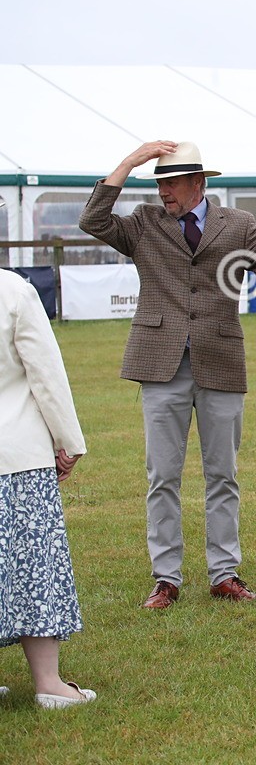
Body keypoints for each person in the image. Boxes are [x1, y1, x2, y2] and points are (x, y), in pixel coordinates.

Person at [78, 142, 256, 609]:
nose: (164, 191)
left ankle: (224, 575)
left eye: (171, 182)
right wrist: (131, 162)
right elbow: (92, 220)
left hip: (221, 362)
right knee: (162, 477)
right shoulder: (144, 224)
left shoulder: (240, 225)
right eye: (159, 183)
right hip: (159, 363)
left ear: (199, 183)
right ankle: (165, 579)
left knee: (222, 476)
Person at [0, 268, 95, 708]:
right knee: (33, 568)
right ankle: (49, 683)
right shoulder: (13, 291)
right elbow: (46, 375)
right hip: (15, 455)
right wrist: (69, 441)